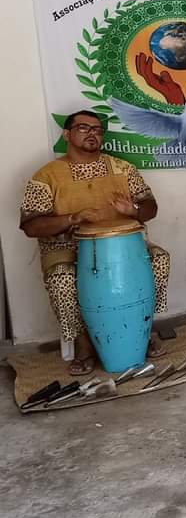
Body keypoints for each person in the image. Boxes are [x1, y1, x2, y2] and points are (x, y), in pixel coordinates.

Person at [19, 110, 170, 375]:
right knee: (62, 278)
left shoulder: (122, 168)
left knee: (159, 259)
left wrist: (134, 209)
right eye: (84, 128)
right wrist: (72, 218)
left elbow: (150, 207)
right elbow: (31, 225)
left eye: (98, 130)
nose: (92, 134)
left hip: (122, 246)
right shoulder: (46, 176)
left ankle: (141, 329)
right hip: (66, 249)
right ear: (67, 134)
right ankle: (84, 345)